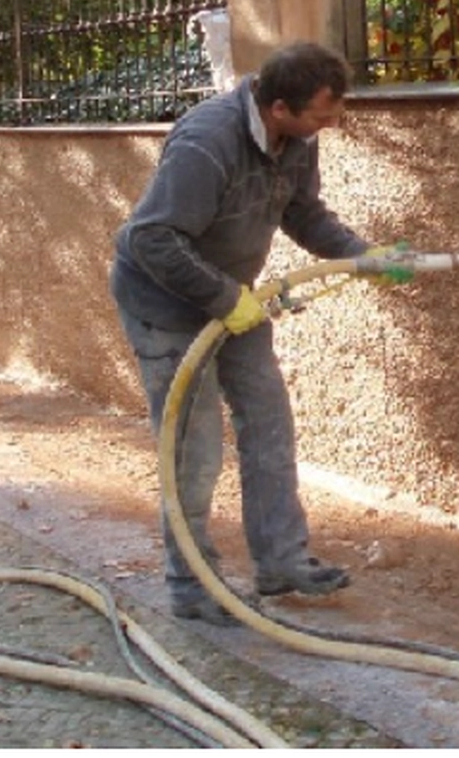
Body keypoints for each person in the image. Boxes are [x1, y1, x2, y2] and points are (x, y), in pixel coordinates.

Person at [110, 40, 404, 627]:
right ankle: (191, 585)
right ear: (277, 108)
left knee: (269, 422)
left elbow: (303, 213)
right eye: (321, 113)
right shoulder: (206, 145)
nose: (332, 123)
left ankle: (281, 563)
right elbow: (151, 239)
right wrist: (224, 300)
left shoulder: (297, 139)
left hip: (235, 301)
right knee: (194, 453)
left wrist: (360, 256)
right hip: (166, 305)